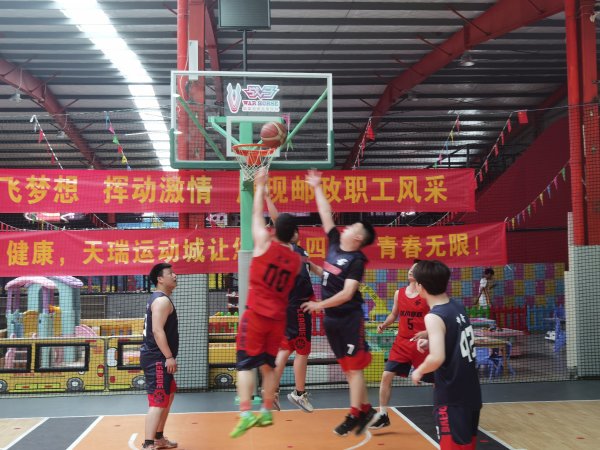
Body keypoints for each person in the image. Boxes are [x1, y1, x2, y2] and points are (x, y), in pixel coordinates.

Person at [301, 169, 377, 437]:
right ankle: (365, 409)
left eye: (354, 228)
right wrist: (317, 187)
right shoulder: (334, 245)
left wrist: (318, 306)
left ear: (358, 239)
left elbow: (347, 293)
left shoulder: (357, 261)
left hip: (348, 319)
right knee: (348, 369)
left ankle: (354, 415)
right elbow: (326, 214)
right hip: (332, 319)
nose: (348, 227)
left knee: (354, 369)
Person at [230, 168, 302, 438]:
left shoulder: (262, 243)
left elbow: (254, 217)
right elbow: (279, 226)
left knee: (244, 364)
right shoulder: (295, 259)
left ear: (274, 229)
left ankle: (246, 413)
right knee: (269, 366)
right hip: (278, 320)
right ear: (293, 235)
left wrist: (260, 187)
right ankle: (267, 410)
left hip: (256, 315)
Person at [411, 260, 482, 450]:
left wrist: (419, 370)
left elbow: (437, 358)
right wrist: (432, 342)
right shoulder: (457, 306)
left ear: (420, 287)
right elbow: (456, 339)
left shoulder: (434, 316)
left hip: (451, 396)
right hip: (471, 392)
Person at [265, 192, 323, 413]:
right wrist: (267, 196)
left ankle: (271, 392)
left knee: (286, 349)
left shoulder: (301, 252)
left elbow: (316, 269)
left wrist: (336, 276)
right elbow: (279, 221)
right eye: (294, 230)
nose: (297, 233)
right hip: (296, 307)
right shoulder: (285, 248)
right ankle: (299, 393)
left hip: (293, 308)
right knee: (302, 350)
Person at [369, 260, 432, 430]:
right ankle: (383, 415)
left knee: (436, 380)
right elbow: (393, 314)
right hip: (402, 343)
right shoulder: (399, 293)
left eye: (414, 269)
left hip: (421, 344)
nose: (410, 271)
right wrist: (384, 324)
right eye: (410, 268)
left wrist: (428, 333)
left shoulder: (427, 294)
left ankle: (446, 409)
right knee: (386, 376)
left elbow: (437, 318)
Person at [139, 263, 179, 450]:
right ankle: (148, 444)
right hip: (157, 358)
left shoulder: (160, 299)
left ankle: (159, 437)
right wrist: (169, 357)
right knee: (158, 399)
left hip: (157, 357)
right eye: (171, 273)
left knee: (169, 393)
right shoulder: (162, 301)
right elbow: (157, 330)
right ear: (160, 279)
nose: (175, 276)